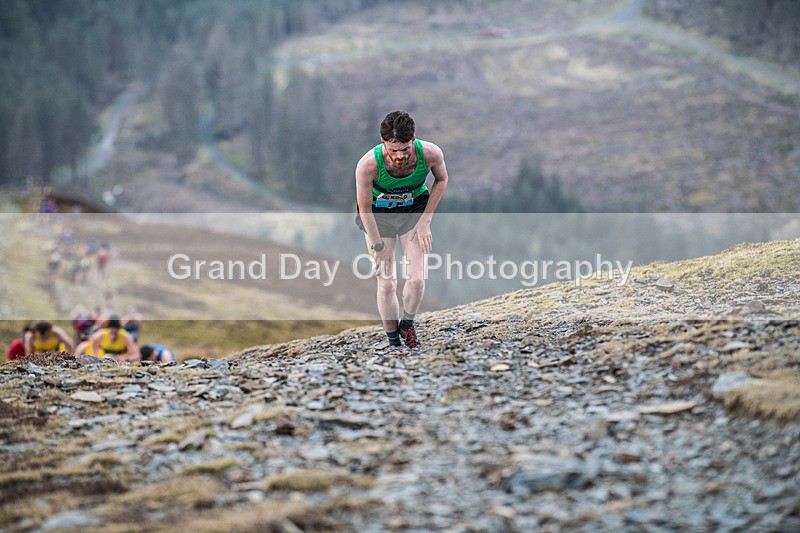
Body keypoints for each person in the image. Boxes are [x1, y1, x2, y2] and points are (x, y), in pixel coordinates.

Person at [355, 110, 449, 349]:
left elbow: (442, 179)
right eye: (393, 150)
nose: (399, 156)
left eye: (405, 149)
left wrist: (425, 220)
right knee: (387, 283)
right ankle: (393, 341)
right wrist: (377, 246)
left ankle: (407, 324)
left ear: (413, 139)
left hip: (413, 213)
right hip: (379, 218)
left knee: (416, 280)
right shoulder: (368, 165)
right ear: (383, 142)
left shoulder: (430, 154)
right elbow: (364, 209)